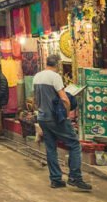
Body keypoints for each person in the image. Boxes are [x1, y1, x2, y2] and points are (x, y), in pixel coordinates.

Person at [33, 55, 92, 191]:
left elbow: (36, 99)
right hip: (55, 118)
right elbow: (64, 99)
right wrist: (66, 114)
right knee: (75, 144)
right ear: (58, 64)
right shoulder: (55, 77)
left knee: (51, 148)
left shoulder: (37, 76)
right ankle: (75, 177)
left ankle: (56, 179)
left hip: (43, 117)